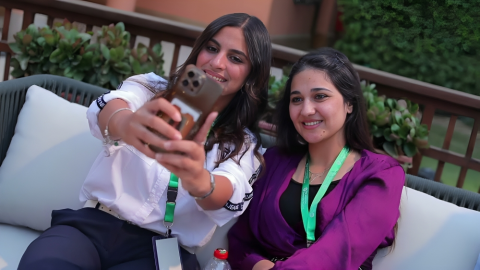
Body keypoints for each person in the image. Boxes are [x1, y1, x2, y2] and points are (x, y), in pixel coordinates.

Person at [19, 13, 271, 270]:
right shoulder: (150, 88)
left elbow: (229, 191)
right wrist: (126, 124)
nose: (217, 62)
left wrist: (198, 179)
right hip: (91, 227)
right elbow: (109, 106)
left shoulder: (243, 144)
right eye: (212, 48)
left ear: (252, 74)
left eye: (235, 58)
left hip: (161, 253)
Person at [227, 48, 405, 270]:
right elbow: (239, 242)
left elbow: (339, 252)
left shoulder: (382, 174)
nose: (307, 109)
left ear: (349, 103)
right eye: (297, 99)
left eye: (320, 96)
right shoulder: (273, 161)